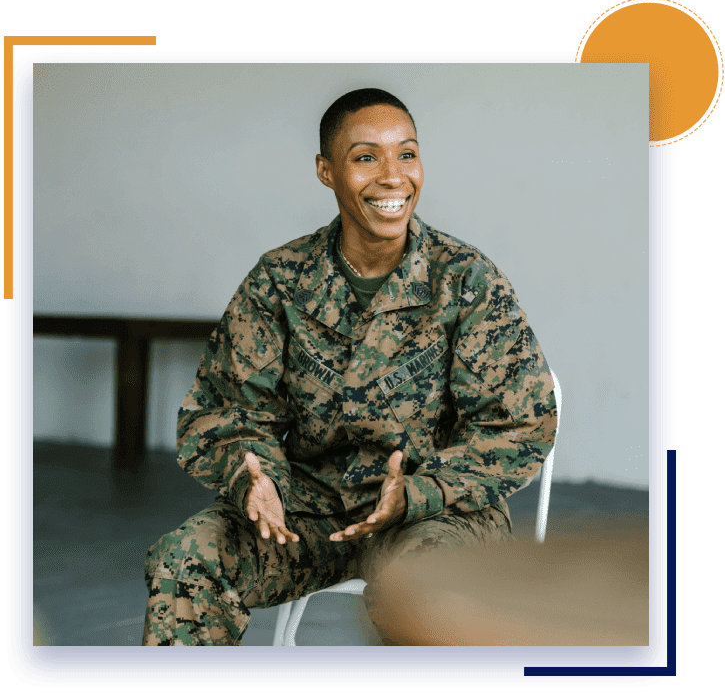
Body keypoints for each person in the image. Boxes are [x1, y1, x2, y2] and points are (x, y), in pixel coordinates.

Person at [142, 88, 557, 646]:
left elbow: (520, 423)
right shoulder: (280, 280)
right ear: (326, 171)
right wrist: (252, 477)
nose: (393, 176)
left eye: (407, 154)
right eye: (366, 157)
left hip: (437, 514)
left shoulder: (464, 280)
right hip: (309, 513)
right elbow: (225, 410)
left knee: (425, 585)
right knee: (188, 556)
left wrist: (419, 493)